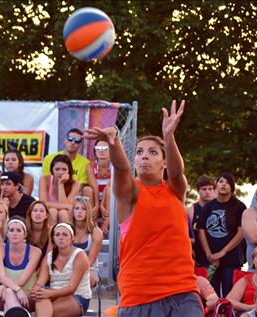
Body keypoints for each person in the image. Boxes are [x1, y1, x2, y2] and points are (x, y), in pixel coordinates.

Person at [85, 100, 202, 316]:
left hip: (183, 291)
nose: (144, 155)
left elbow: (177, 174)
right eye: (139, 152)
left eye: (153, 152)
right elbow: (121, 168)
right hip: (140, 295)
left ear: (164, 162)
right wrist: (114, 142)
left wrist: (168, 137)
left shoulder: (175, 191)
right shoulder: (129, 193)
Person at [199, 172, 246, 297]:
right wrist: (209, 253)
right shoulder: (208, 206)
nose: (223, 184)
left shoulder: (239, 206)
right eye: (220, 182)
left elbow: (241, 232)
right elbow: (201, 230)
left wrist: (223, 252)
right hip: (210, 260)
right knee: (210, 296)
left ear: (232, 187)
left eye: (227, 182)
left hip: (231, 260)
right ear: (216, 186)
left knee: (229, 296)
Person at [31, 223, 92, 317]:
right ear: (53, 238)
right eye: (57, 234)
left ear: (72, 238)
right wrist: (37, 290)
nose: (60, 237)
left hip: (77, 296)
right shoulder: (49, 257)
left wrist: (48, 293)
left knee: (46, 313)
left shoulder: (80, 255)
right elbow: (40, 282)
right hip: (53, 294)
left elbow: (72, 288)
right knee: (40, 300)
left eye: (65, 234)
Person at [0, 217, 42, 317]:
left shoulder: (35, 251)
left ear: (25, 234)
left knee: (8, 295)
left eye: (18, 230)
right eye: (11, 230)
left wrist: (2, 286)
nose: (14, 233)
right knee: (9, 292)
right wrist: (15, 289)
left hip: (25, 294)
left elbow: (22, 280)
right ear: (7, 233)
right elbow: (1, 276)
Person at [42, 128, 99, 217]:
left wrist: (97, 205)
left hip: (74, 196)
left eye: (77, 141)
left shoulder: (85, 163)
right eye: (70, 139)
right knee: (53, 211)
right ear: (65, 140)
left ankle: (91, 224)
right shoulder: (49, 159)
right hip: (54, 195)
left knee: (88, 190)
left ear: (80, 144)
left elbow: (93, 185)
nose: (73, 142)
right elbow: (47, 184)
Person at [71, 195, 103, 287]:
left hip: (89, 269)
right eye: (77, 208)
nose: (79, 211)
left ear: (88, 212)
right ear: (72, 211)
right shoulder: (67, 229)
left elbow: (90, 261)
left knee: (85, 278)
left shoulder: (96, 232)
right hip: (68, 266)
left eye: (83, 209)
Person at [39, 155, 79, 225]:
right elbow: (43, 203)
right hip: (50, 212)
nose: (60, 172)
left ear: (69, 171)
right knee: (52, 212)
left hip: (66, 215)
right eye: (57, 169)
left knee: (63, 213)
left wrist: (61, 184)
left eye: (64, 169)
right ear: (52, 170)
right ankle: (51, 235)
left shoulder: (75, 183)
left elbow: (66, 207)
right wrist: (66, 206)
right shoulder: (44, 179)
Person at [187, 175, 216, 268]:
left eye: (210, 189)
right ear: (198, 190)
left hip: (216, 256)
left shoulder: (219, 210)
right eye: (204, 189)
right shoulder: (191, 210)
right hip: (197, 257)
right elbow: (186, 236)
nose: (207, 192)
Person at [92, 139, 111, 232]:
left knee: (110, 190)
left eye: (105, 148)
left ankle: (104, 227)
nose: (101, 150)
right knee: (87, 190)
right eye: (98, 148)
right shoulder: (91, 166)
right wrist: (97, 204)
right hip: (95, 200)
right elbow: (93, 185)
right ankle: (94, 227)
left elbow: (108, 186)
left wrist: (102, 204)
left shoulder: (115, 166)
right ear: (95, 150)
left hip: (109, 202)